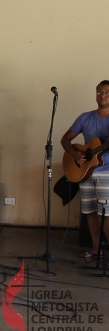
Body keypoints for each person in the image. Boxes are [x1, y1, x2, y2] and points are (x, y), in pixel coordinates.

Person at [61, 80, 109, 260]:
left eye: (106, 92)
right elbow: (66, 139)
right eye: (99, 92)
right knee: (90, 211)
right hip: (86, 173)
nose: (102, 95)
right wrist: (74, 153)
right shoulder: (85, 117)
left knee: (107, 214)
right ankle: (96, 249)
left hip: (107, 172)